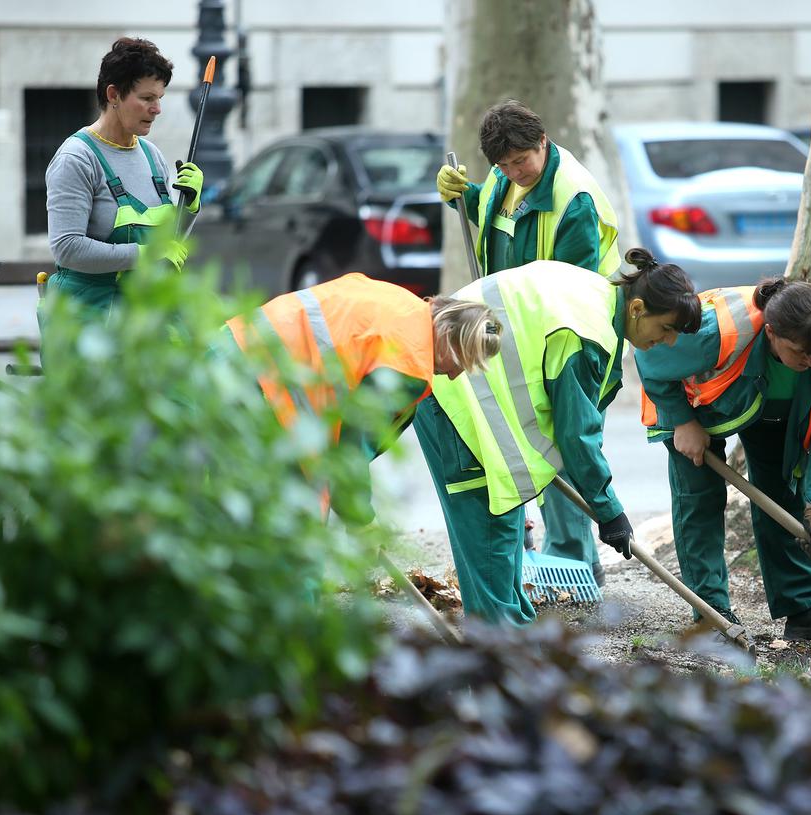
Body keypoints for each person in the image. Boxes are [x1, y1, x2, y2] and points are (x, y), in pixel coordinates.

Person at [414, 248, 702, 626]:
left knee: (501, 537)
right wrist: (609, 511)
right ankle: (500, 660)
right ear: (636, 309)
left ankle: (512, 642)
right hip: (455, 396)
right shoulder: (588, 334)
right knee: (490, 541)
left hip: (461, 389)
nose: (667, 342)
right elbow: (576, 434)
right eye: (665, 328)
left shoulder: (595, 298)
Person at [435, 98, 621, 583]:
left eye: (521, 161)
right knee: (515, 438)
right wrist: (470, 196)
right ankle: (535, 549)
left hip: (565, 337)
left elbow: (571, 289)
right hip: (514, 331)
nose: (514, 172)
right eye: (502, 166)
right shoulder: (505, 178)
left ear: (543, 141)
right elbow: (507, 228)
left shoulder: (573, 199)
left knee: (562, 440)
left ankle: (577, 559)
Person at [635, 277, 811, 646]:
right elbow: (650, 355)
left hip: (775, 407)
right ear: (772, 333)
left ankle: (806, 609)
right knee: (700, 501)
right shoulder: (714, 333)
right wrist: (681, 420)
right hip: (697, 404)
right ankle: (712, 616)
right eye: (800, 353)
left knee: (785, 494)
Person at [215, 273, 501, 525]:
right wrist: (362, 521)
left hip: (230, 346)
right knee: (294, 543)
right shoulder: (408, 362)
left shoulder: (400, 303)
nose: (453, 375)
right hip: (256, 387)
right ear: (449, 335)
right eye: (461, 361)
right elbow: (349, 452)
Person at [44, 37, 204, 323]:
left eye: (159, 99)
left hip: (144, 327)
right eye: (146, 98)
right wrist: (146, 254)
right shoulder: (77, 159)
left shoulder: (152, 155)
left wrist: (190, 207)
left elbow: (169, 248)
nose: (157, 109)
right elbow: (67, 248)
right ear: (114, 95)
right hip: (90, 328)